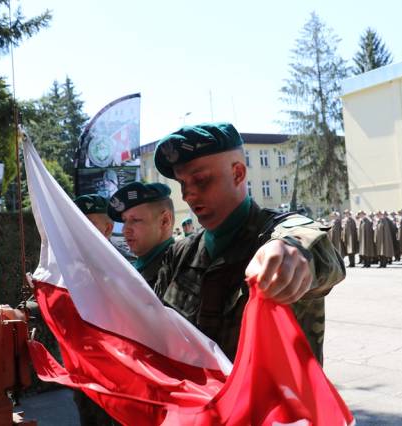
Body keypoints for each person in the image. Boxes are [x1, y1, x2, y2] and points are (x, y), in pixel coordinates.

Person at [152, 122, 345, 363]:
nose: (187, 194)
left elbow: (317, 251)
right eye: (182, 183)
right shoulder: (180, 254)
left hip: (269, 400)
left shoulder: (275, 235)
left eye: (200, 180)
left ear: (237, 174)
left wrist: (292, 252)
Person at [72, 193, 121, 426]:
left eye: (89, 224)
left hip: (120, 371)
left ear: (108, 228)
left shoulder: (125, 267)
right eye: (76, 224)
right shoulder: (67, 267)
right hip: (85, 370)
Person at [108, 182, 175, 288]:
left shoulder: (177, 272)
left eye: (135, 220)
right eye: (124, 221)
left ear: (164, 221)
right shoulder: (137, 267)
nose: (125, 230)